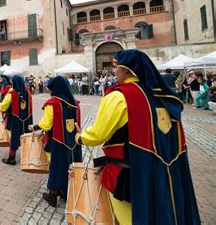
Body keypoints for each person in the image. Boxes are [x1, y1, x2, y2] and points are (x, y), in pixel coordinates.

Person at [75, 49, 200, 224]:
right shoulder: (161, 96)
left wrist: (81, 137)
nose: (114, 71)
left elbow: (98, 134)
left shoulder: (119, 96)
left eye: (116, 67)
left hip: (130, 175)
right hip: (163, 172)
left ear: (127, 70)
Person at [29, 76, 82, 207]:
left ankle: (53, 194)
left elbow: (46, 125)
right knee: (70, 164)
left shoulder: (52, 104)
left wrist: (35, 127)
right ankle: (65, 191)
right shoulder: (75, 103)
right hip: (73, 142)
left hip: (57, 141)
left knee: (56, 167)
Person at [0, 75, 33, 165]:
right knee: (25, 136)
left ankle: (12, 158)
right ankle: (28, 157)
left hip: (15, 119)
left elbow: (3, 106)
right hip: (26, 120)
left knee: (13, 138)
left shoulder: (12, 93)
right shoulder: (28, 93)